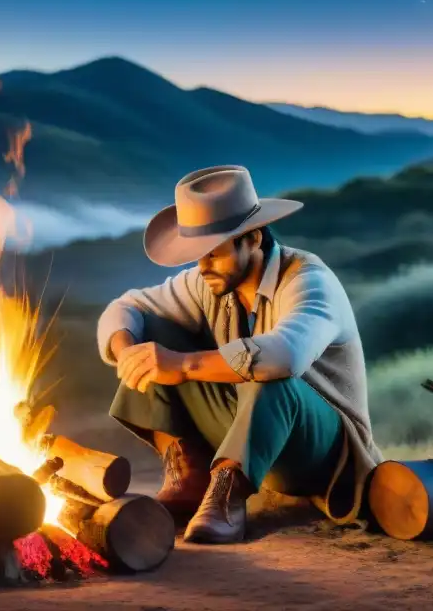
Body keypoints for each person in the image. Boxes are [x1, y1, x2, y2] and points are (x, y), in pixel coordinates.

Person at [97, 164, 382, 544]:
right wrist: (130, 351)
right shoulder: (209, 281)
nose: (202, 266)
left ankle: (227, 494)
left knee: (272, 377)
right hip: (250, 428)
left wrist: (182, 366)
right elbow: (127, 306)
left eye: (213, 252)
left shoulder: (309, 280)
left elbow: (285, 355)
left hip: (322, 453)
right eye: (197, 254)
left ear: (252, 239)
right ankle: (191, 478)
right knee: (151, 332)